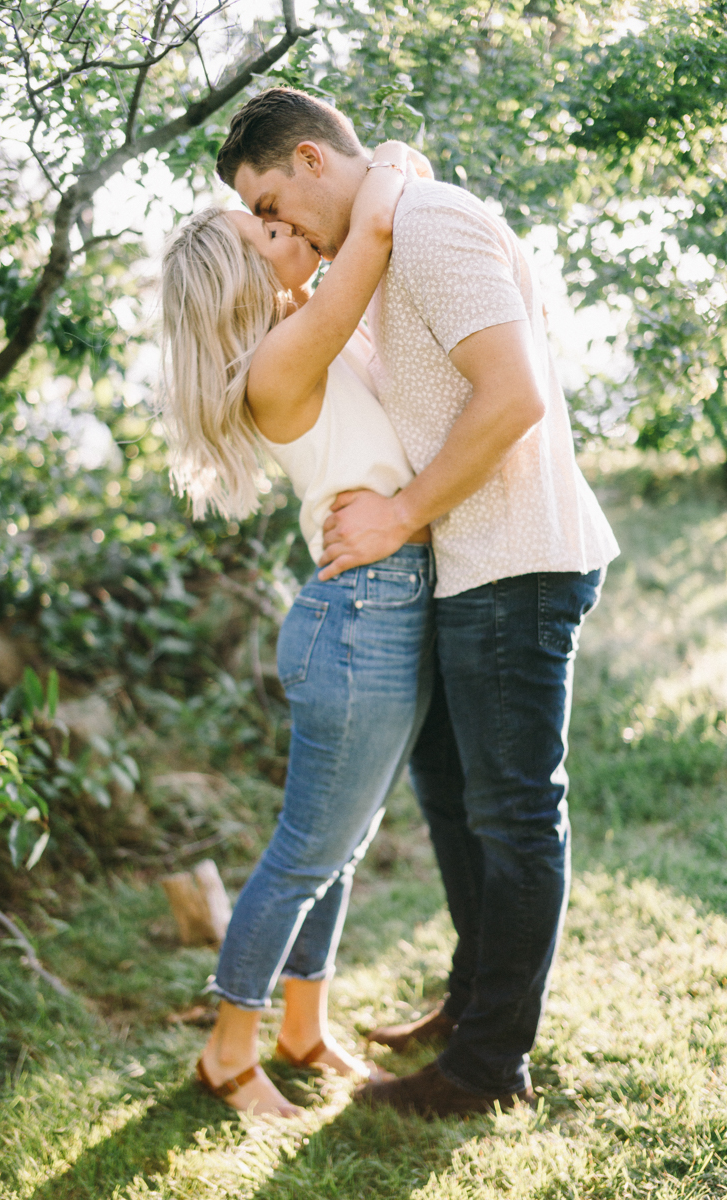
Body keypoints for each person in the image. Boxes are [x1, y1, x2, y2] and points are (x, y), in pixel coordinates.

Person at [216, 87, 620, 1119]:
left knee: (514, 816)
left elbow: (513, 396)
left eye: (271, 202)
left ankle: (487, 1069)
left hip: (511, 555)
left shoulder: (428, 226)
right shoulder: (380, 234)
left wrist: (399, 513)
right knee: (453, 803)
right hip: (459, 564)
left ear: (309, 159)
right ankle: (471, 1001)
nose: (275, 230)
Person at [161, 139, 435, 1118]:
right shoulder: (279, 357)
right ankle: (227, 1056)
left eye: (274, 218)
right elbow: (369, 232)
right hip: (357, 620)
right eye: (261, 230)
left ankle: (302, 1029)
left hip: (378, 606)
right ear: (239, 278)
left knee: (342, 848)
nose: (283, 230)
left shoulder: (297, 338)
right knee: (302, 855)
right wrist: (394, 161)